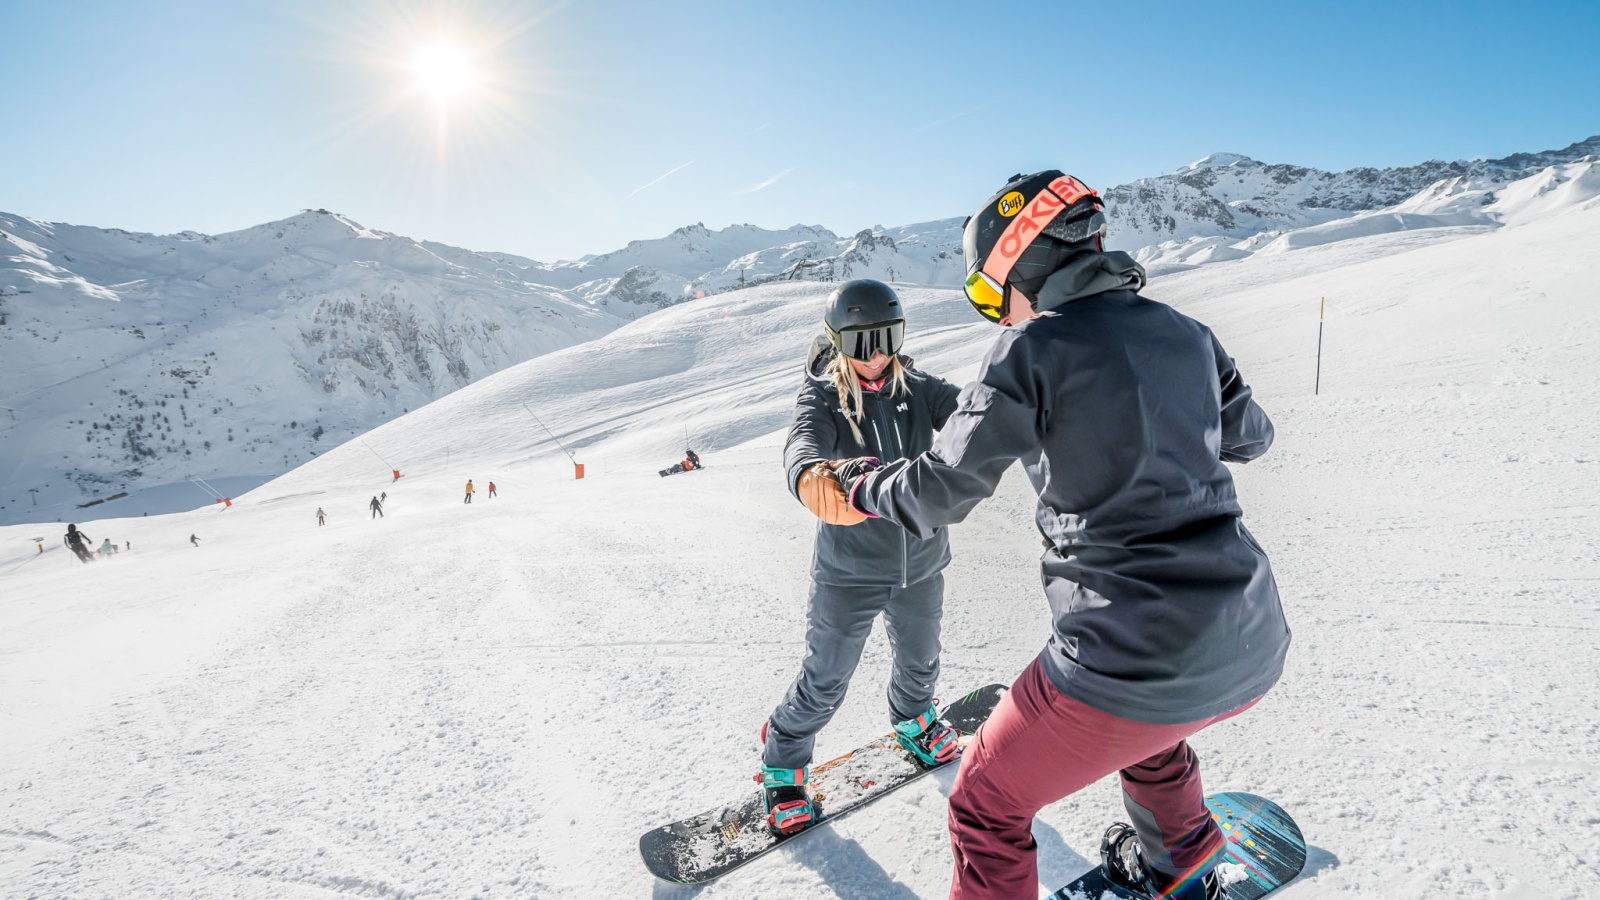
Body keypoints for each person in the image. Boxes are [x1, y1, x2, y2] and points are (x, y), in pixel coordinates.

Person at [813, 172, 1289, 900]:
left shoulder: (1029, 351)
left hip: (1121, 653)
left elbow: (942, 488)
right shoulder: (1189, 333)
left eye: (989, 293)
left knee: (983, 804)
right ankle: (1185, 876)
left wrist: (855, 485)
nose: (997, 314)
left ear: (1024, 262)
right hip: (1251, 636)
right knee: (1152, 743)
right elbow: (1251, 437)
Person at [758, 278, 964, 837]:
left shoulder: (917, 388)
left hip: (921, 563)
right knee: (825, 678)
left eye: (887, 338)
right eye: (860, 343)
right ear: (837, 342)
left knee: (921, 659)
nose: (875, 356)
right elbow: (802, 445)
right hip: (850, 574)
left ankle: (914, 722)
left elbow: (974, 411)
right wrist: (814, 478)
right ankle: (783, 763)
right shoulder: (824, 397)